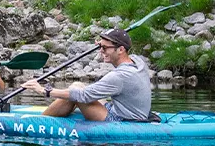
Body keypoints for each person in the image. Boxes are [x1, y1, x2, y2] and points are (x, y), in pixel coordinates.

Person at [20, 28, 151, 121]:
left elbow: (83, 96)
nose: (101, 51)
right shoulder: (138, 61)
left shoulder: (119, 76)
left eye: (104, 48)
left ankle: (40, 121)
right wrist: (105, 45)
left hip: (121, 119)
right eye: (100, 46)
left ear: (121, 49)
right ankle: (48, 116)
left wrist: (45, 90)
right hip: (125, 111)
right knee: (77, 84)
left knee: (77, 91)